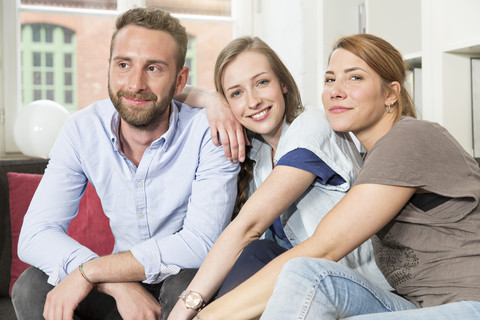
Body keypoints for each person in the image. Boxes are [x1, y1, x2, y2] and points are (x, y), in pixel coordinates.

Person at [192, 33, 480, 320]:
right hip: (417, 306)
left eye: (354, 78)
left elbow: (325, 247)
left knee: (308, 269)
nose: (336, 91)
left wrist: (205, 314)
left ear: (391, 93)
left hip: (469, 304)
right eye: (330, 79)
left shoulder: (409, 138)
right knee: (301, 270)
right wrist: (207, 98)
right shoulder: (371, 158)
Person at [11, 7, 240, 320]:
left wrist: (89, 271)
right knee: (30, 287)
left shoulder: (209, 131)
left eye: (154, 69)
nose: (135, 84)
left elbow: (201, 243)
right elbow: (36, 235)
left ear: (180, 80)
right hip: (119, 282)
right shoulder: (82, 130)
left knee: (189, 283)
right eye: (123, 65)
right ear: (109, 69)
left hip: (184, 281)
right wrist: (114, 283)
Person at [168, 36, 390, 320]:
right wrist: (213, 100)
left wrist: (185, 309)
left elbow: (248, 226)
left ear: (283, 84)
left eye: (262, 83)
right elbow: (168, 91)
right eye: (236, 93)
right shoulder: (260, 155)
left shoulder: (312, 126)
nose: (253, 101)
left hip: (355, 286)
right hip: (304, 284)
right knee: (232, 265)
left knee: (256, 253)